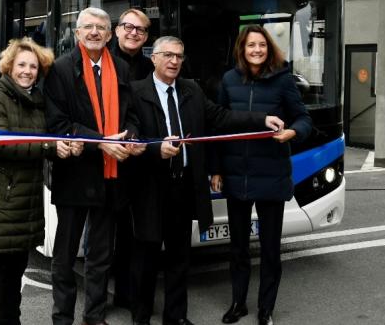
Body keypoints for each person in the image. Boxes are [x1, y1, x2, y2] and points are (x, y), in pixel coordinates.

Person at [127, 36, 284, 325]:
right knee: (146, 258)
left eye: (179, 56)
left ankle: (176, 317)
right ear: (153, 58)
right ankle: (141, 317)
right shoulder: (136, 91)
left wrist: (261, 120)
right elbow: (131, 132)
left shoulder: (191, 90)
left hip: (184, 185)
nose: (174, 61)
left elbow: (221, 117)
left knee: (179, 257)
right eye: (168, 55)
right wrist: (154, 148)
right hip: (150, 187)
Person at [44, 7, 141, 325]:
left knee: (100, 255)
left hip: (112, 177)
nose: (95, 32)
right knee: (66, 255)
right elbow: (58, 123)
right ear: (78, 33)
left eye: (101, 27)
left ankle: (95, 315)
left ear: (110, 34)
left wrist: (130, 138)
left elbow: (133, 115)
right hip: (75, 175)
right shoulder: (60, 69)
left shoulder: (123, 69)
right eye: (88, 27)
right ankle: (62, 316)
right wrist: (101, 142)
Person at [210, 25, 312, 325]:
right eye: (251, 45)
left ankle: (266, 308)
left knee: (269, 249)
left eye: (262, 45)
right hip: (236, 175)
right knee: (238, 248)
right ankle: (238, 303)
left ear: (269, 49)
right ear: (242, 49)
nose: (256, 50)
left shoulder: (283, 81)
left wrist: (293, 132)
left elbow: (303, 118)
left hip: (271, 175)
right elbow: (218, 123)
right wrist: (216, 168)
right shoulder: (229, 80)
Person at [0, 37, 59, 325]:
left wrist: (62, 146)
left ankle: (11, 320)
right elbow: (2, 143)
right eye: (21, 64)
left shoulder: (38, 100)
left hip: (28, 199)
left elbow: (45, 138)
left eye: (33, 66)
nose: (27, 71)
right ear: (9, 66)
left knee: (16, 268)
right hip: (0, 198)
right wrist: (49, 146)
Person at [108, 8, 155, 309]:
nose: (133, 32)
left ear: (146, 36)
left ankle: (131, 294)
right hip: (108, 159)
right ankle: (105, 296)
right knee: (108, 233)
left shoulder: (152, 66)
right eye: (128, 26)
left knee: (137, 234)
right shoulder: (102, 61)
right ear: (117, 30)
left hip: (144, 159)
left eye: (140, 29)